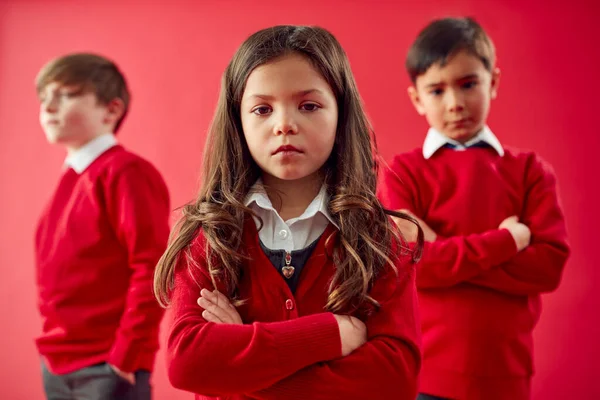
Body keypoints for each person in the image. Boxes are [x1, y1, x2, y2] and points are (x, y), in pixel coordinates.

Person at [154, 25, 423, 400]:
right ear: (238, 121)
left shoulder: (379, 238)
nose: (284, 125)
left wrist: (239, 362)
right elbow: (188, 363)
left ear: (340, 114)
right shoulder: (208, 232)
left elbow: (395, 380)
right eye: (262, 109)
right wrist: (329, 334)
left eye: (309, 106)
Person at [379, 17, 571, 400]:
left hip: (507, 372)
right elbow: (415, 265)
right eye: (437, 90)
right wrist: (507, 240)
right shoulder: (403, 173)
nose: (455, 103)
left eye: (468, 84)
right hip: (425, 373)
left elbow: (548, 267)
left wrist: (444, 251)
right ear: (417, 98)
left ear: (493, 82)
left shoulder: (530, 171)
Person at [35, 53, 170, 399]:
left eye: (65, 95)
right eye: (44, 97)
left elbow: (150, 266)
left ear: (110, 110)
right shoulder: (71, 179)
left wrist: (127, 353)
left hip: (105, 364)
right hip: (59, 360)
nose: (48, 106)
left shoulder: (125, 172)